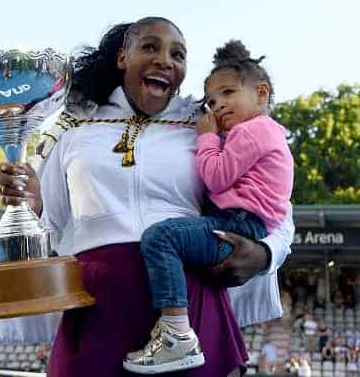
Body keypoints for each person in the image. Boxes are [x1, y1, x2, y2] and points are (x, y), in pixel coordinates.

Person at [0, 16, 294, 377]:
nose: (165, 60)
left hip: (189, 301)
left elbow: (275, 200)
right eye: (150, 47)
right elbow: (51, 221)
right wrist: (30, 203)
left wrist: (265, 253)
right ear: (122, 57)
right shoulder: (74, 127)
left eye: (178, 55)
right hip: (96, 301)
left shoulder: (208, 126)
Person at [121, 39, 293, 373]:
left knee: (161, 238)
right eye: (212, 100)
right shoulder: (268, 133)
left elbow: (215, 177)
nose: (218, 107)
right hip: (244, 222)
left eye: (228, 94)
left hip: (237, 223)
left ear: (261, 94)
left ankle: (175, 334)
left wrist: (207, 137)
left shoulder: (251, 132)